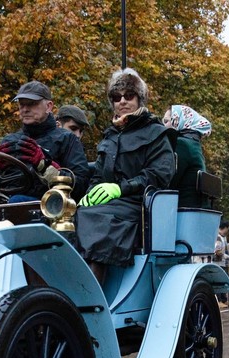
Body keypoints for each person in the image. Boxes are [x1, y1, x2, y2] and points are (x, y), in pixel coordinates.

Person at [75, 68, 175, 284]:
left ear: (140, 99)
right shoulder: (109, 136)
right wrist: (90, 194)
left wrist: (121, 188)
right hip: (108, 205)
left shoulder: (156, 132)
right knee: (68, 217)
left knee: (99, 220)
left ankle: (91, 294)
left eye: (129, 95)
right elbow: (98, 175)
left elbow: (160, 174)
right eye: (116, 97)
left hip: (139, 205)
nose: (122, 101)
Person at [0, 81, 90, 207]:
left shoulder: (67, 139)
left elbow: (80, 187)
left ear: (49, 106)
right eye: (21, 104)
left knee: (17, 202)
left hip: (47, 208)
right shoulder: (9, 140)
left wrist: (43, 165)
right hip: (5, 203)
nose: (25, 109)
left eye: (31, 104)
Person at [162, 105, 212, 208]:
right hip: (194, 210)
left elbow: (168, 180)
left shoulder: (182, 144)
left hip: (182, 211)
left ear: (177, 121)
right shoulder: (194, 144)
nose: (163, 126)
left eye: (166, 121)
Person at [213, 220, 229, 305]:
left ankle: (224, 300)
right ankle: (219, 301)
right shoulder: (218, 237)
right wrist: (228, 257)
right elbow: (218, 251)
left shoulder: (222, 237)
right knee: (219, 282)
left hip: (222, 263)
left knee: (223, 281)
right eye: (227, 228)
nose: (228, 230)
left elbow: (223, 248)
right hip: (218, 263)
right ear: (225, 228)